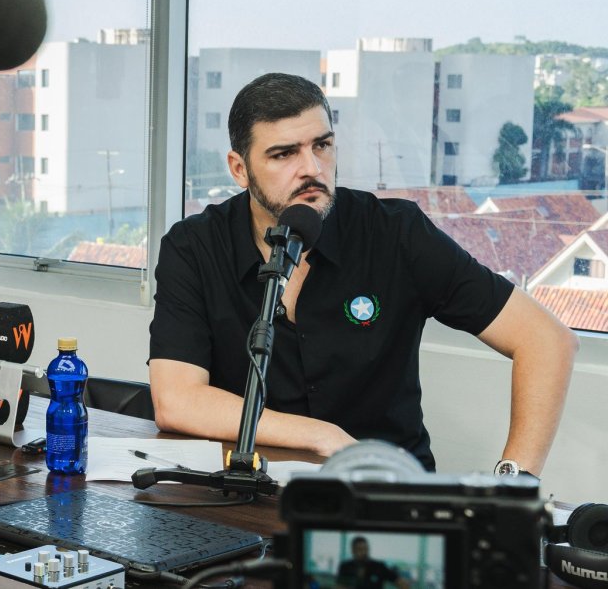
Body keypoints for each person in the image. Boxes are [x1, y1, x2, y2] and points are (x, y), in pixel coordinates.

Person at [148, 72, 576, 472]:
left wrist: (514, 483)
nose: (312, 168)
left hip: (384, 494)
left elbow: (547, 340)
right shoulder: (193, 247)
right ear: (239, 168)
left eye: (322, 145)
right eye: (284, 154)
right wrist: (321, 437)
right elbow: (177, 400)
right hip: (250, 494)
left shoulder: (395, 233)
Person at [334, 537, 411, 589]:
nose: (364, 552)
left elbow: (400, 582)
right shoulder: (345, 567)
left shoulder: (379, 566)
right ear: (353, 551)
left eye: (366, 549)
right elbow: (339, 586)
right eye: (360, 549)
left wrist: (403, 583)